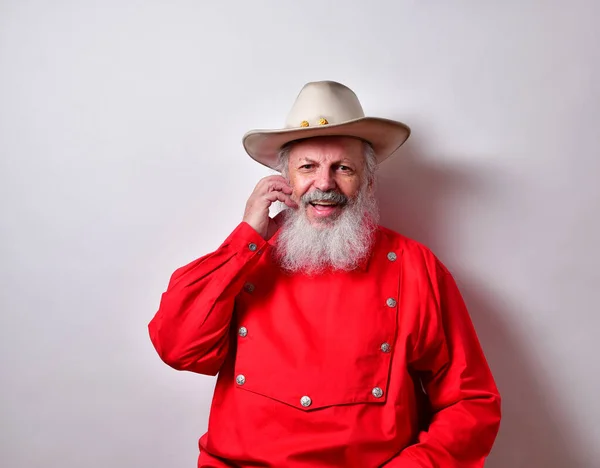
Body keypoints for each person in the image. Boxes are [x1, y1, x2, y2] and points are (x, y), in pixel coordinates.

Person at [148, 81, 501, 467]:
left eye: (343, 168)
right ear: (286, 180)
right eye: (308, 167)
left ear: (367, 181)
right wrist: (246, 238)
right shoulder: (247, 259)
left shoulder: (415, 267)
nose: (324, 184)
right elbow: (177, 347)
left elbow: (470, 402)